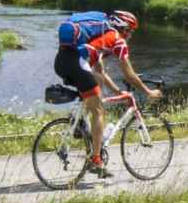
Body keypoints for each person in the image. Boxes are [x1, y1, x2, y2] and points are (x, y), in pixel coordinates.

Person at [53, 10, 162, 178]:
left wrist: (118, 91)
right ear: (121, 26)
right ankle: (95, 160)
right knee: (99, 111)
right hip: (77, 64)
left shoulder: (98, 39)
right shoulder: (116, 40)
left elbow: (100, 72)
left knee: (96, 88)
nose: (130, 35)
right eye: (129, 30)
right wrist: (148, 91)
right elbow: (129, 75)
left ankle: (80, 123)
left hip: (62, 61)